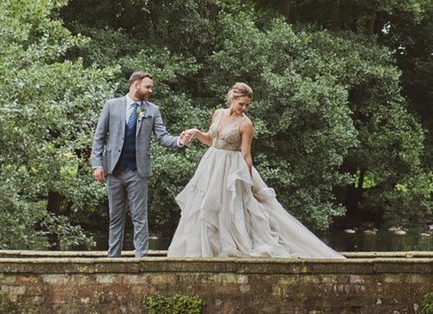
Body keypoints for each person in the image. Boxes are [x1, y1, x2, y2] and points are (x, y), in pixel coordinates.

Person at [167, 82, 344, 259]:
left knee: (232, 209)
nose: (243, 108)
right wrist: (196, 132)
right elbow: (211, 140)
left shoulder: (246, 124)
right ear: (232, 98)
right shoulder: (218, 114)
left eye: (247, 105)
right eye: (241, 103)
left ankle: (234, 246)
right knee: (206, 207)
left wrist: (249, 182)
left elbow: (246, 155)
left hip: (232, 169)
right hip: (211, 165)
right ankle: (209, 251)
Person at [92, 71, 191, 258]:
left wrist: (179, 140)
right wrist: (97, 165)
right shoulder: (112, 106)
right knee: (115, 218)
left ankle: (141, 258)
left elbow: (162, 137)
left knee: (139, 217)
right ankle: (113, 258)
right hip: (113, 170)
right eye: (147, 86)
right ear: (135, 85)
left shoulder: (152, 110)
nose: (150, 90)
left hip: (138, 171)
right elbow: (99, 137)